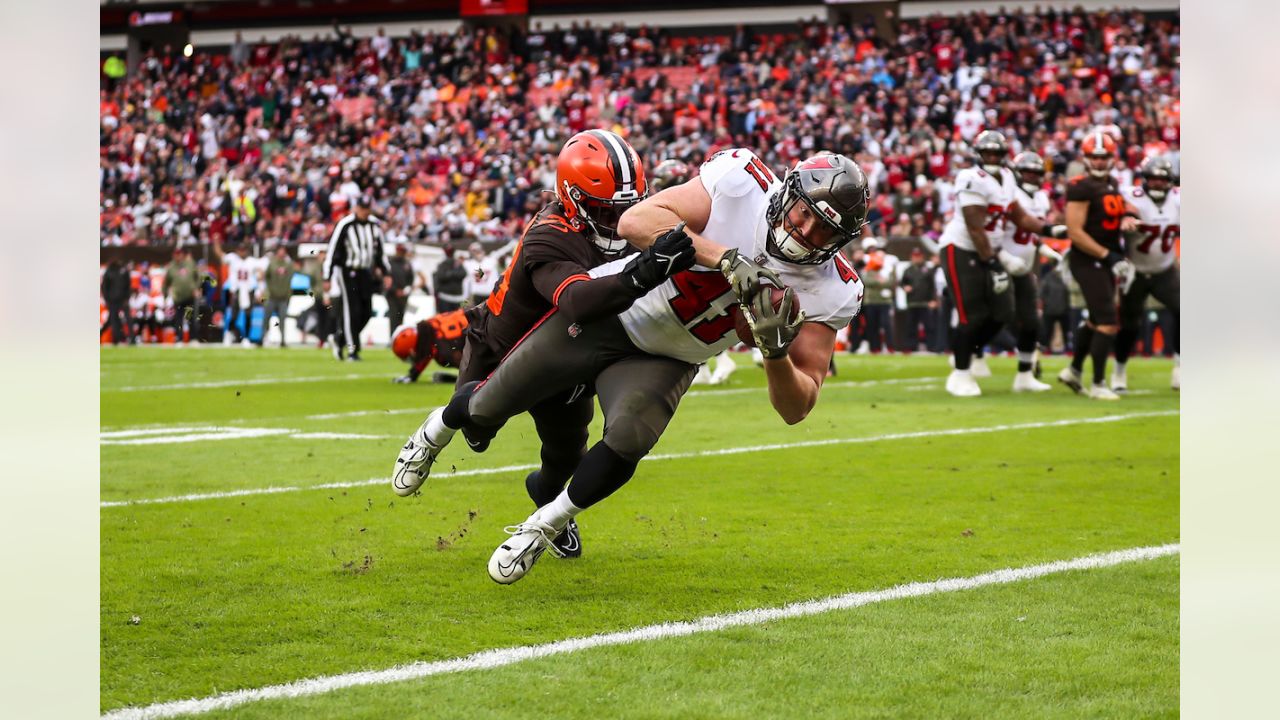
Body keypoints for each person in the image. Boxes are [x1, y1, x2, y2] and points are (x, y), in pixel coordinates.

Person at [395, 149, 868, 585]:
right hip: (615, 312)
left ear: (841, 240)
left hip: (670, 357)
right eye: (805, 212)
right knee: (488, 405)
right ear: (789, 191)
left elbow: (797, 406)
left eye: (824, 229)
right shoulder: (741, 182)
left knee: (628, 439)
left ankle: (543, 526)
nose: (804, 231)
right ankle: (438, 428)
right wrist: (724, 259)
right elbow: (637, 221)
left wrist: (775, 353)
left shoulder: (835, 287)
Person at [395, 129, 668, 561]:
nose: (618, 224)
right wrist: (643, 273)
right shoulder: (550, 233)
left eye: (626, 209)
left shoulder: (618, 226)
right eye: (603, 210)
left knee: (565, 455)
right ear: (572, 198)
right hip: (501, 348)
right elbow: (578, 301)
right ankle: (436, 429)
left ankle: (545, 498)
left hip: (567, 358)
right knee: (478, 427)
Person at [938, 131, 1065, 397]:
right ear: (979, 154)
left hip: (987, 252)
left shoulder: (1007, 178)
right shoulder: (970, 177)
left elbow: (1019, 216)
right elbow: (975, 227)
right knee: (971, 315)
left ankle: (969, 356)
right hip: (961, 249)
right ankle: (960, 373)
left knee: (1002, 314)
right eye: (988, 153)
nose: (993, 157)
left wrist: (1050, 230)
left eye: (997, 153)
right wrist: (994, 262)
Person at [1056, 129, 1140, 399]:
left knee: (1095, 320)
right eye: (1096, 157)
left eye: (1105, 157)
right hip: (1088, 259)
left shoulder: (1112, 184)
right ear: (1086, 157)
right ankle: (1098, 384)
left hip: (1105, 259)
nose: (1101, 162)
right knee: (1107, 321)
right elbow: (1075, 232)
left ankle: (1074, 371)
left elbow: (1127, 206)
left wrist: (1127, 213)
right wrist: (1108, 255)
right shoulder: (1080, 185)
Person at [996, 151, 1067, 389]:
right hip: (999, 260)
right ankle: (968, 358)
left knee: (1030, 319)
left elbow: (1030, 233)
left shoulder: (1042, 199)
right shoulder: (1009, 194)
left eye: (1036, 173)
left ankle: (1025, 372)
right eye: (1026, 172)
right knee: (996, 317)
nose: (1031, 176)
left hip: (1024, 264)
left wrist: (1044, 248)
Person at [1112, 156, 1180, 392]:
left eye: (1162, 180)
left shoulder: (1179, 199)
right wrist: (1127, 217)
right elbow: (1126, 210)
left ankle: (1180, 367)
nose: (1158, 184)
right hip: (1136, 271)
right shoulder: (1133, 197)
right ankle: (1119, 370)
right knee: (1129, 325)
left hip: (1165, 270)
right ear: (1144, 180)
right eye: (1153, 179)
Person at [323, 195, 391, 361]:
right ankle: (352, 350)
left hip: (365, 272)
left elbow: (380, 251)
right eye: (362, 208)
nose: (365, 212)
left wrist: (386, 272)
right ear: (356, 208)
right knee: (352, 311)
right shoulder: (345, 224)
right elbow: (332, 251)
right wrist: (327, 276)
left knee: (367, 312)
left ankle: (340, 339)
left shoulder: (374, 225)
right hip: (347, 271)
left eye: (367, 209)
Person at [391, 309, 469, 385]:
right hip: (473, 316)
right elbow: (428, 351)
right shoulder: (428, 327)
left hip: (477, 326)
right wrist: (412, 375)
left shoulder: (442, 348)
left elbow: (467, 366)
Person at [897, 248, 935, 352]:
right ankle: (911, 347)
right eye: (915, 256)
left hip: (925, 303)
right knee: (911, 326)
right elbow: (901, 283)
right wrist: (905, 287)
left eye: (918, 256)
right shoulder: (908, 270)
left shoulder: (927, 270)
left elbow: (932, 286)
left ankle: (931, 347)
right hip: (912, 302)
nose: (916, 258)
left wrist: (933, 300)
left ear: (922, 257)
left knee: (929, 326)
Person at [162, 247, 201, 343]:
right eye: (176, 254)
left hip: (190, 296)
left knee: (192, 318)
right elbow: (166, 283)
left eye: (180, 254)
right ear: (173, 255)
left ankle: (193, 339)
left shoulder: (190, 264)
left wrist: (196, 288)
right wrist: (165, 295)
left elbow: (198, 276)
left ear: (183, 255)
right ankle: (179, 338)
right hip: (178, 297)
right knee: (178, 319)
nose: (178, 256)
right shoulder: (171, 267)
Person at [262, 245, 297, 348]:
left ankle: (283, 340)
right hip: (272, 296)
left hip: (283, 297)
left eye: (283, 251)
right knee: (266, 318)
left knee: (282, 319)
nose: (282, 253)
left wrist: (287, 294)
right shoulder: (272, 263)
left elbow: (290, 279)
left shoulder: (289, 265)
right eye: (280, 251)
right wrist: (268, 291)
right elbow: (266, 277)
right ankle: (262, 338)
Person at [100, 259, 132, 345]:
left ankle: (131, 338)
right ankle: (117, 339)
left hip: (121, 300)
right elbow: (104, 287)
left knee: (124, 319)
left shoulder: (123, 271)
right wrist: (107, 299)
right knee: (113, 320)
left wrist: (127, 298)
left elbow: (128, 285)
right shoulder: (109, 271)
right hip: (113, 300)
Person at [385, 243, 415, 332]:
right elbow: (387, 279)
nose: (401, 253)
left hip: (403, 295)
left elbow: (411, 279)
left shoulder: (407, 264)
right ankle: (393, 338)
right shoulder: (390, 263)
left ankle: (399, 338)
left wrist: (405, 290)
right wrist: (395, 290)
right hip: (392, 295)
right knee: (394, 316)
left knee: (401, 316)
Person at [462, 242, 501, 307]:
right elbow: (466, 283)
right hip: (476, 294)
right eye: (475, 251)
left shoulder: (491, 260)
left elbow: (502, 252)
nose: (478, 252)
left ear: (483, 250)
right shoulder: (467, 264)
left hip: (491, 293)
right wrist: (464, 302)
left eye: (479, 250)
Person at [432, 244, 467, 313]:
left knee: (456, 319)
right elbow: (441, 277)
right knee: (445, 319)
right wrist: (453, 273)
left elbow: (463, 274)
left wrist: (450, 273)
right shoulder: (442, 264)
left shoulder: (458, 263)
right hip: (444, 297)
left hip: (457, 298)